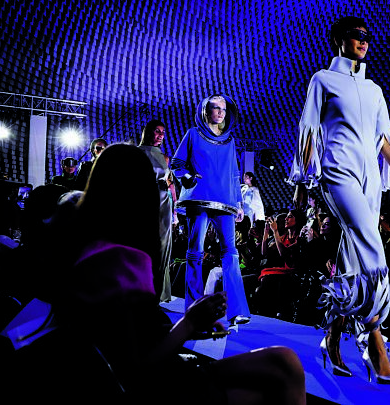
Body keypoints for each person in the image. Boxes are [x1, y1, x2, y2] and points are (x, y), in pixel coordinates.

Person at [41, 143, 306, 404]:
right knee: (284, 364)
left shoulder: (85, 252)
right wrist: (189, 323)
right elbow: (136, 366)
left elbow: (134, 331)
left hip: (149, 374)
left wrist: (194, 325)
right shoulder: (121, 260)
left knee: (275, 371)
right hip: (158, 384)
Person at [289, 16, 390, 383]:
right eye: (355, 35)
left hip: (370, 177)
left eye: (366, 36)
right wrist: (302, 177)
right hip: (337, 171)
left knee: (353, 257)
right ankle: (374, 340)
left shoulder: (374, 89)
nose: (363, 40)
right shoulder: (322, 80)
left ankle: (331, 336)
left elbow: (383, 138)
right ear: (338, 40)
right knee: (372, 249)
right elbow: (309, 129)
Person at [171, 94, 251, 325]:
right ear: (205, 111)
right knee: (195, 251)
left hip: (225, 202)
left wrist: (239, 203)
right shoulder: (193, 134)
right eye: (215, 108)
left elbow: (234, 174)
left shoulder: (229, 141)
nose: (220, 112)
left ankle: (237, 310)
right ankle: (193, 308)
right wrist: (188, 178)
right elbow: (177, 164)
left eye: (223, 109)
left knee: (231, 252)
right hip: (199, 199)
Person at [139, 120, 176, 303]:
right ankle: (140, 288)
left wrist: (175, 209)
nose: (160, 135)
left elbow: (170, 184)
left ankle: (158, 291)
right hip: (142, 201)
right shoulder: (136, 153)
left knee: (162, 246)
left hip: (163, 203)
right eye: (157, 131)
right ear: (148, 132)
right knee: (143, 243)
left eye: (163, 132)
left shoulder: (165, 157)